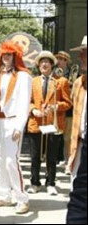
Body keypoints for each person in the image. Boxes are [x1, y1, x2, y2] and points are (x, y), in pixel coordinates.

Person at [0, 40, 32, 214]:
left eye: (9, 55)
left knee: (11, 161)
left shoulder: (24, 76)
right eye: (3, 55)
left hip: (13, 121)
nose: (6, 58)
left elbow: (24, 102)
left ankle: (22, 197)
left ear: (15, 56)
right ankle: (4, 195)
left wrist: (19, 126)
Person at [26, 51, 71, 195]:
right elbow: (28, 101)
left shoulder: (61, 81)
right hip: (36, 122)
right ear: (38, 65)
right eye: (41, 62)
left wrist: (56, 106)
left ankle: (51, 182)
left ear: (52, 65)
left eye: (47, 62)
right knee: (34, 156)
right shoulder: (33, 82)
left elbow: (68, 103)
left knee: (51, 156)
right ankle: (34, 183)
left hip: (53, 124)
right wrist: (33, 111)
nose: (44, 64)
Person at [67, 35, 87, 182]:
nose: (80, 57)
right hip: (79, 144)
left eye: (84, 53)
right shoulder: (79, 82)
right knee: (76, 186)